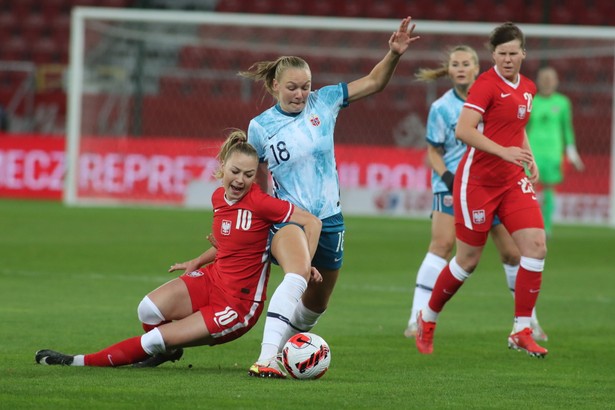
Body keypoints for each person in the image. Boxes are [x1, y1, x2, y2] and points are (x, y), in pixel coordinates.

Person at [35, 129, 322, 368]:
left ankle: (77, 361)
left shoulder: (260, 203)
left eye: (248, 175)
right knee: (147, 310)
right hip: (212, 279)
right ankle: (166, 352)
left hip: (236, 305)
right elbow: (230, 245)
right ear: (222, 165)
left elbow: (312, 222)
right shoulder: (218, 198)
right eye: (235, 171)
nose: (240, 180)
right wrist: (198, 259)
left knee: (154, 338)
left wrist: (306, 264)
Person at [239, 17, 420, 377]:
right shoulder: (260, 127)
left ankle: (285, 352)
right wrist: (260, 214)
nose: (300, 94)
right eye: (292, 87)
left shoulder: (325, 102)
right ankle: (267, 356)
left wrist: (393, 54)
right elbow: (255, 177)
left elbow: (374, 81)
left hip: (330, 219)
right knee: (297, 276)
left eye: (305, 86)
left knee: (316, 306)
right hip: (290, 217)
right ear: (275, 85)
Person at [415, 22, 549, 358]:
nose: (507, 59)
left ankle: (521, 329)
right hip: (476, 183)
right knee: (467, 261)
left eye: (512, 53)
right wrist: (504, 152)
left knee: (534, 246)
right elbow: (463, 130)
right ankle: (427, 317)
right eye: (501, 54)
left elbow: (517, 129)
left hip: (511, 182)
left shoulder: (528, 87)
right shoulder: (486, 86)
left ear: (523, 53)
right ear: (493, 56)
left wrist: (528, 158)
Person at [527, 66, 584, 238]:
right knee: (528, 190)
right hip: (532, 152)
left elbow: (567, 129)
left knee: (549, 189)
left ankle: (547, 227)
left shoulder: (563, 103)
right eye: (544, 79)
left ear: (556, 81)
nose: (547, 82)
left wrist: (573, 154)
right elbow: (523, 128)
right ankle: (529, 225)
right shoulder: (531, 101)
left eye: (550, 79)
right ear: (538, 81)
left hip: (553, 153)